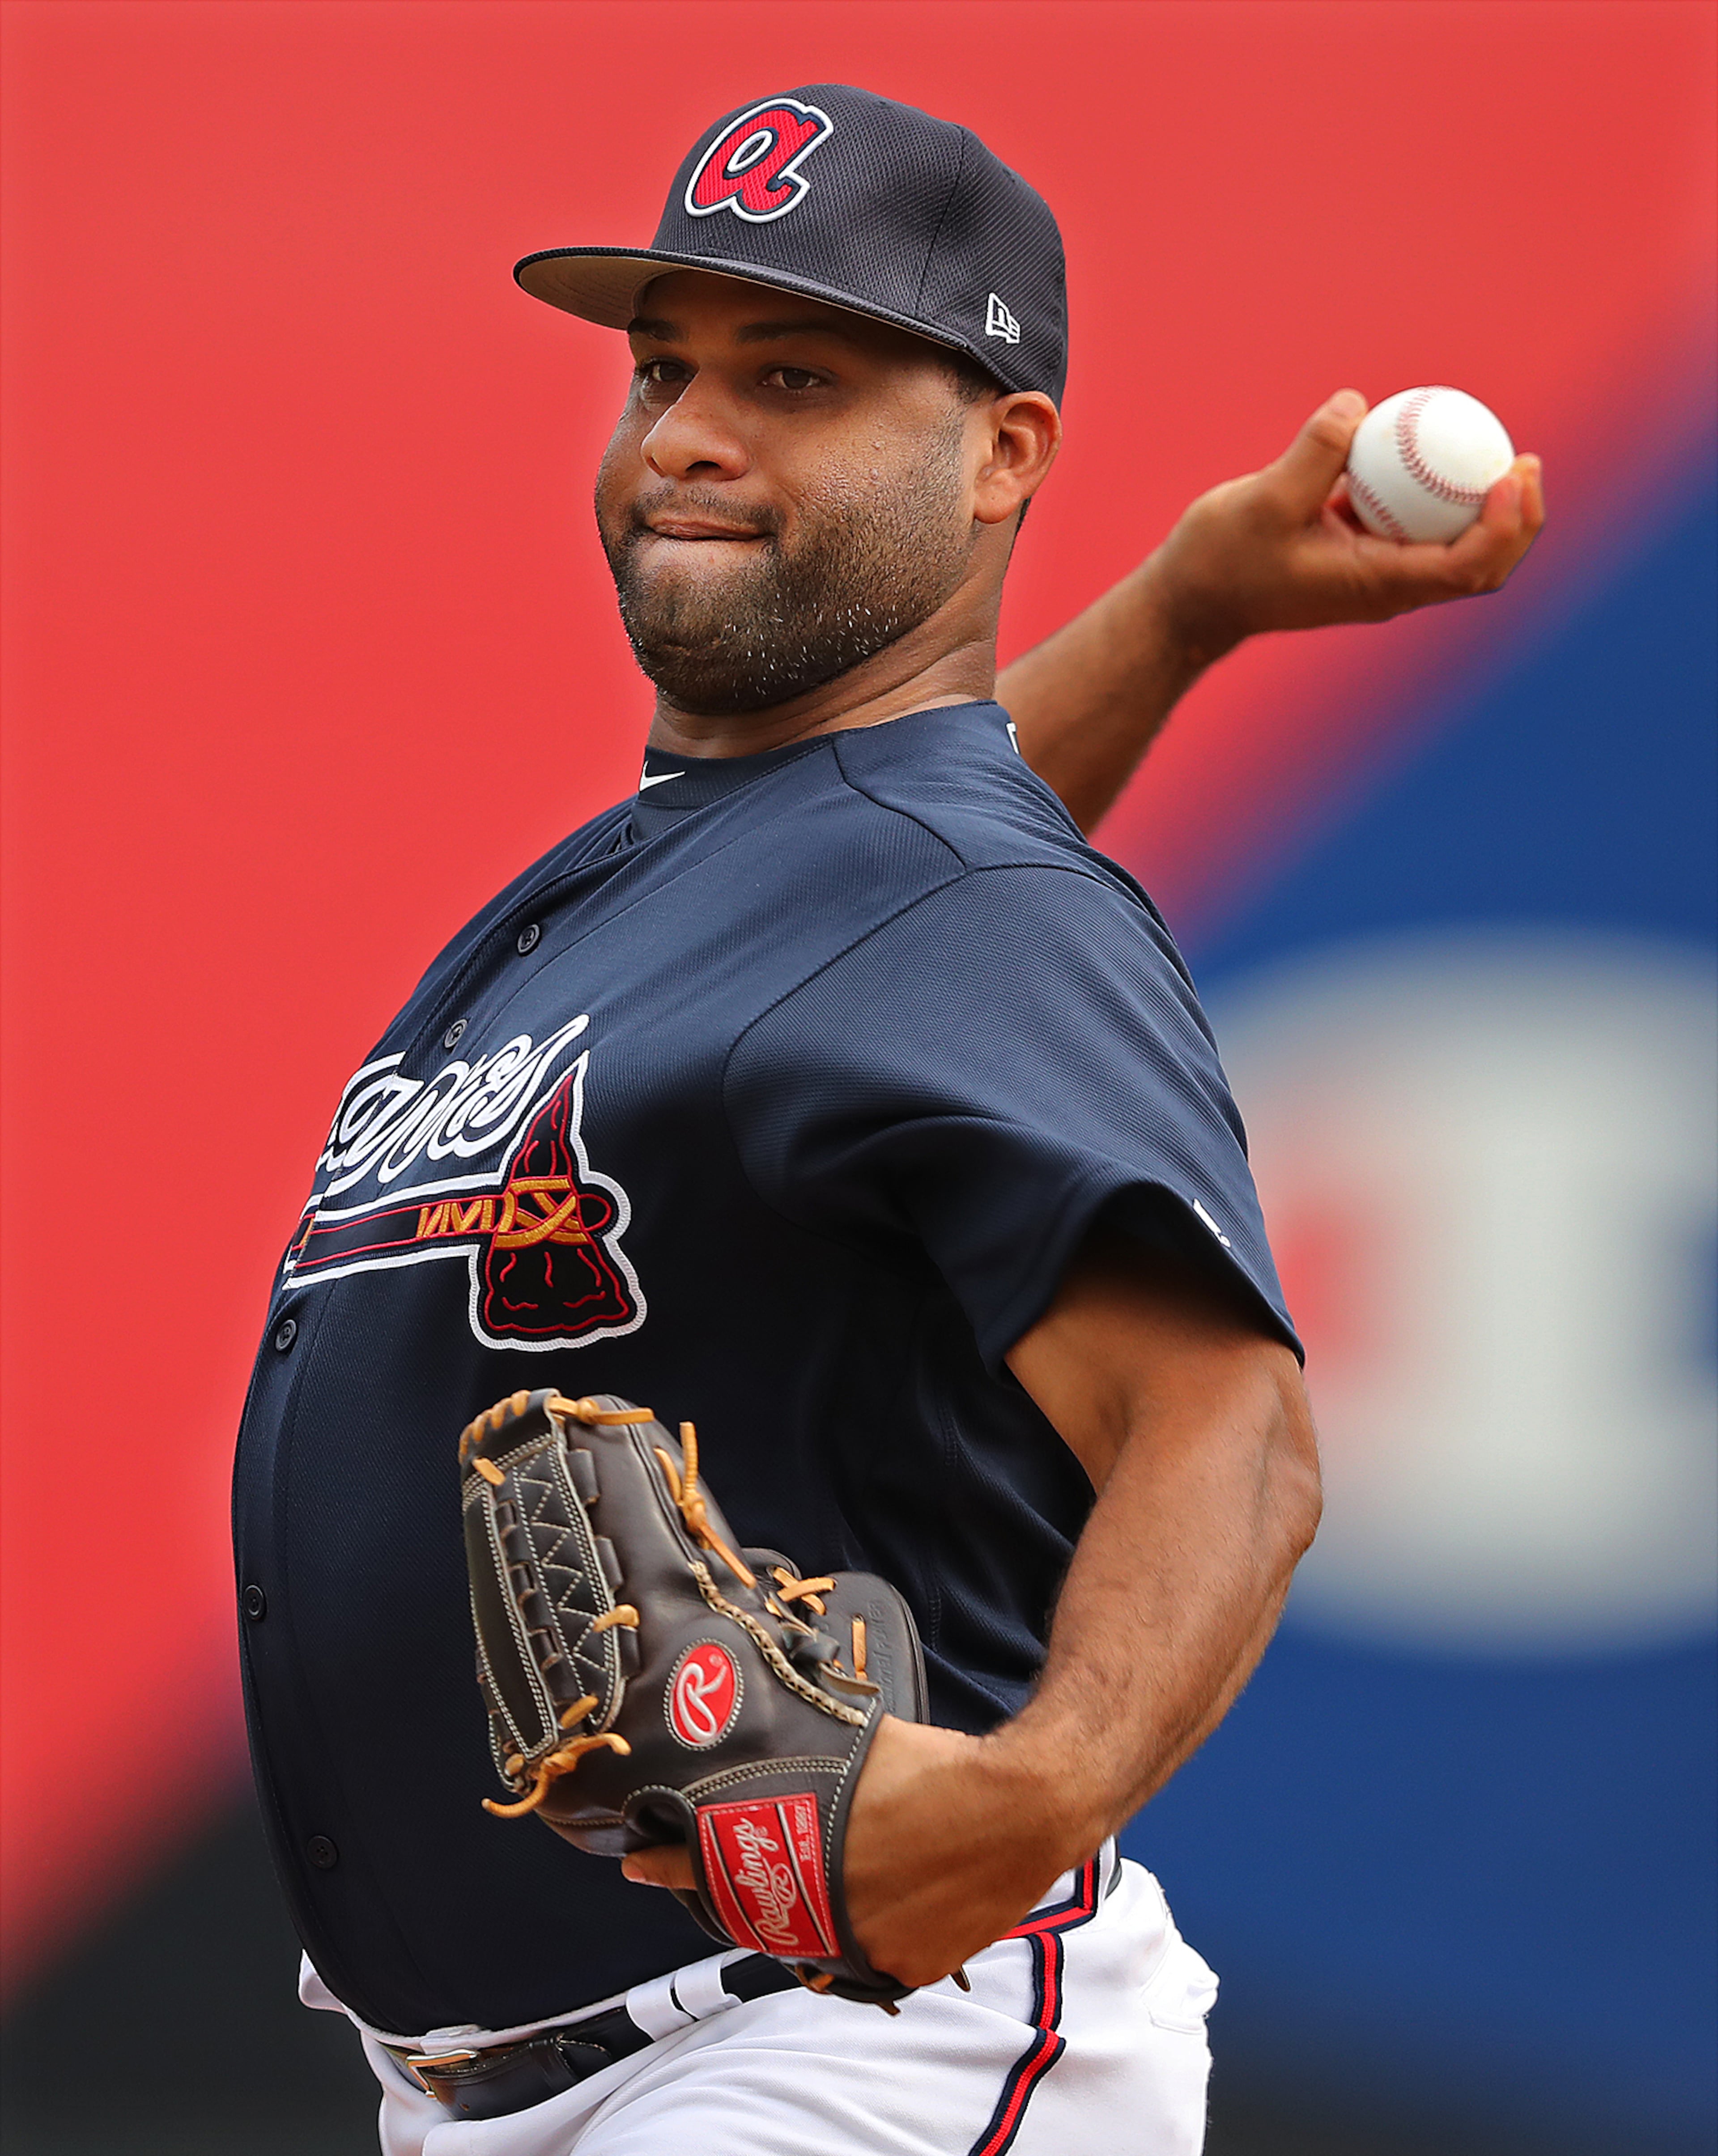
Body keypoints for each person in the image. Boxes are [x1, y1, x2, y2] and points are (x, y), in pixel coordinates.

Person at [234, 84, 1542, 2156]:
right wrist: (1186, 609)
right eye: (664, 366)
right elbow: (900, 876)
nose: (686, 431)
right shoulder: (749, 865)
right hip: (520, 2081)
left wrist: (1033, 1796)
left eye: (797, 376)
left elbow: (1241, 1432)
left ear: (1005, 450)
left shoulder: (955, 896)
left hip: (837, 2045)